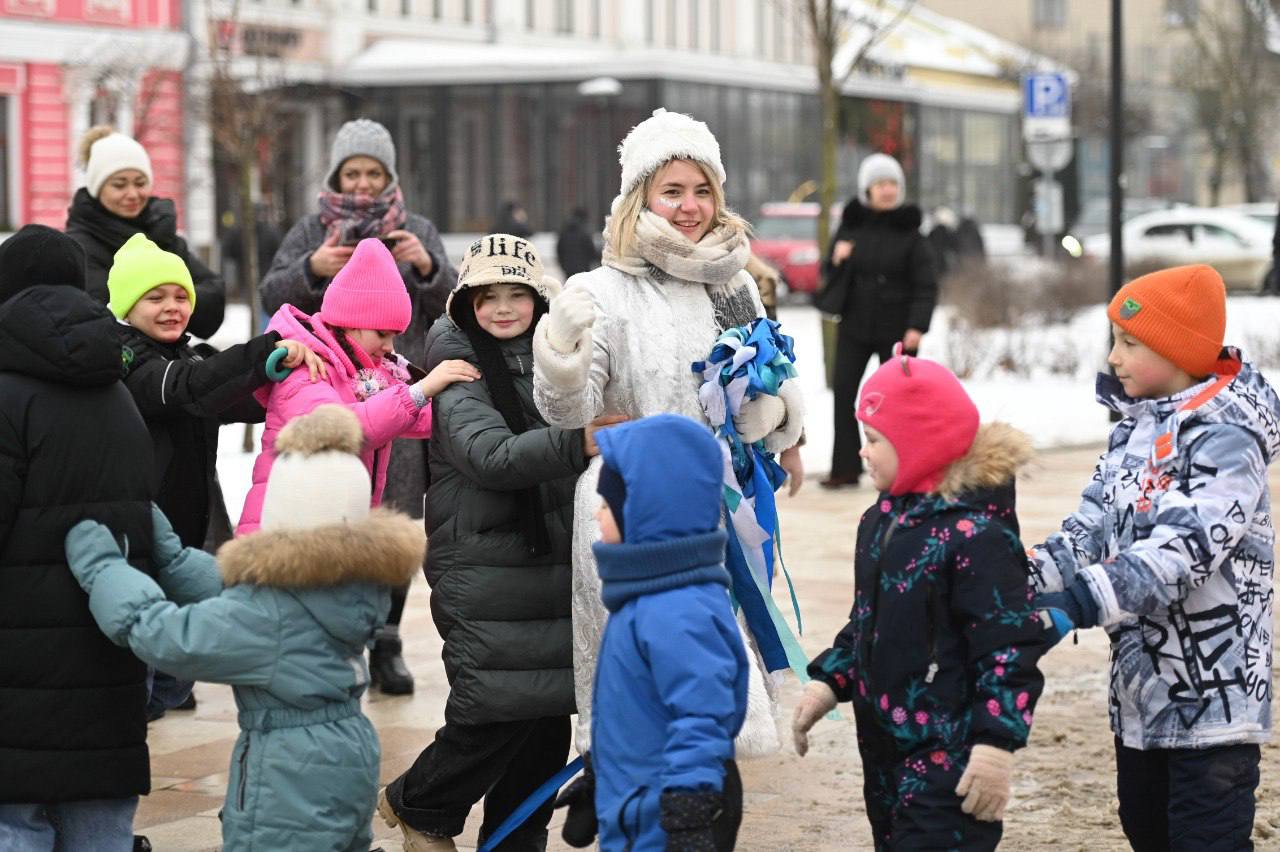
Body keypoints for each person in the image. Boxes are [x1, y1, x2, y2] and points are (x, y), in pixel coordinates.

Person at [533, 108, 804, 845]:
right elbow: (566, 407)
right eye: (671, 191)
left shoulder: (736, 283)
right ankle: (616, 789)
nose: (689, 208)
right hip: (632, 518)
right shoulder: (603, 289)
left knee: (707, 687)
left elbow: (770, 369)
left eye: (702, 191)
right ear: (638, 199)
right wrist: (559, 342)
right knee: (639, 685)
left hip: (723, 511)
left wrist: (779, 419)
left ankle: (691, 810)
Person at [63, 405, 427, 852]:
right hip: (347, 752)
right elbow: (237, 591)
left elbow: (161, 632)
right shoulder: (346, 588)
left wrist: (102, 568)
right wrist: (170, 554)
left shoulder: (268, 618)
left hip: (289, 771)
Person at [1031, 264, 1280, 852]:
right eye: (1113, 340)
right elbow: (1090, 528)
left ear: (1178, 352)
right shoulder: (1133, 429)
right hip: (1143, 696)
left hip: (1214, 701)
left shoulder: (1227, 438)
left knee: (1205, 841)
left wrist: (1080, 601)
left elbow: (1181, 551)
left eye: (1129, 343)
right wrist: (1014, 579)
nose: (1113, 358)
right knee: (1146, 830)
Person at [379, 235, 607, 852]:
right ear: (466, 302)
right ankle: (420, 803)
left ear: (538, 298)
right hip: (481, 558)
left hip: (549, 554)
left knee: (548, 713)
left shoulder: (553, 355)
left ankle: (515, 836)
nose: (504, 308)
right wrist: (578, 441)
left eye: (518, 295)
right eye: (488, 296)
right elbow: (489, 454)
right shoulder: (457, 363)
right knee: (496, 707)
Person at [792, 349, 1055, 850]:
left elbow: (1009, 650)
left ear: (919, 444)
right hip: (884, 752)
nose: (861, 451)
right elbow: (868, 624)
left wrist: (996, 747)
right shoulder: (882, 522)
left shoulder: (978, 538)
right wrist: (828, 683)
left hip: (951, 760)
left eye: (873, 440)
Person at [261, 117, 457, 694]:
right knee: (344, 513)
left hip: (401, 397)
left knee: (393, 523)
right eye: (354, 172)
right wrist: (309, 270)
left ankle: (388, 640)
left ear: (390, 176)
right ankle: (342, 632)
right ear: (337, 175)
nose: (365, 183)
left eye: (375, 172)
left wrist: (427, 267)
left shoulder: (415, 228)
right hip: (334, 394)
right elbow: (271, 296)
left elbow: (454, 302)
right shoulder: (311, 231)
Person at [108, 232, 325, 719]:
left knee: (178, 671)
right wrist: (262, 352)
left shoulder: (190, 357)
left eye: (181, 295)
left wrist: (296, 379)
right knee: (139, 675)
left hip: (188, 537)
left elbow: (236, 397)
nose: (173, 307)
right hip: (139, 536)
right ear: (126, 306)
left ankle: (154, 700)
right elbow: (186, 389)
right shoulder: (126, 360)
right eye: (155, 297)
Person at [0, 225, 155, 851]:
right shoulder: (118, 392)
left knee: (15, 826)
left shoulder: (7, 395)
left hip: (14, 668)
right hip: (107, 658)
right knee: (100, 827)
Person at [238, 238, 476, 539]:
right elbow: (342, 429)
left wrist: (472, 400)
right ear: (351, 321)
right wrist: (420, 390)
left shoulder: (365, 368)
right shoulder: (306, 368)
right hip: (281, 536)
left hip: (325, 529)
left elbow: (419, 415)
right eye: (382, 333)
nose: (390, 346)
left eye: (395, 335)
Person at [589, 414, 748, 852]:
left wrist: (690, 812)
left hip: (671, 820)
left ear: (647, 511)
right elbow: (640, 706)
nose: (596, 512)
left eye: (607, 503)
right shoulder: (647, 597)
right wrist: (600, 772)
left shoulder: (678, 609)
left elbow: (702, 715)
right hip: (638, 806)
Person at [815, 152, 937, 489]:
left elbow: (926, 285)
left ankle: (906, 468)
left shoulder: (911, 231)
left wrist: (917, 327)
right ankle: (844, 468)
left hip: (898, 329)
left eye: (893, 184)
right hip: (854, 325)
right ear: (867, 189)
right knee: (843, 393)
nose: (887, 190)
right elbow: (829, 275)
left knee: (900, 401)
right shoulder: (851, 226)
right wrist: (838, 260)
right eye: (880, 184)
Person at [66, 126, 226, 339]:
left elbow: (213, 298)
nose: (132, 194)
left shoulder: (164, 235)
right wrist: (180, 295)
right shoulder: (80, 246)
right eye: (119, 185)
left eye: (140, 183)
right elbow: (100, 314)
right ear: (97, 188)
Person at [555, 207, 600, 277]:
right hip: (583, 269)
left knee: (571, 287)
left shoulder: (564, 232)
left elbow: (559, 251)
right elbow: (591, 251)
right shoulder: (584, 233)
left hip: (568, 269)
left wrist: (563, 266)